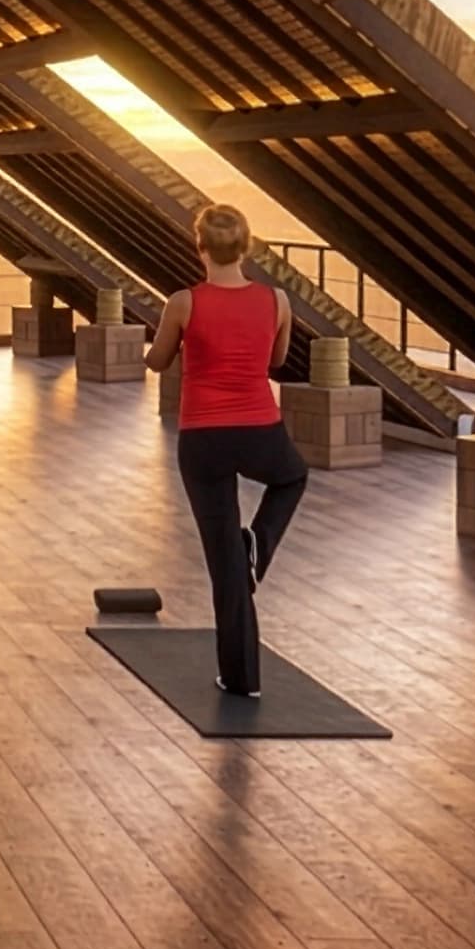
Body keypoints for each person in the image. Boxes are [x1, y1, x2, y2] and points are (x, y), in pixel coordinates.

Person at [143, 201, 305, 695]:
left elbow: (157, 361)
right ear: (246, 247)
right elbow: (275, 360)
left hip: (204, 440)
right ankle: (257, 543)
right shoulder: (277, 301)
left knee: (224, 564)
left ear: (200, 247)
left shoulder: (183, 303)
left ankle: (242, 678)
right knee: (292, 477)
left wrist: (158, 346)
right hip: (260, 429)